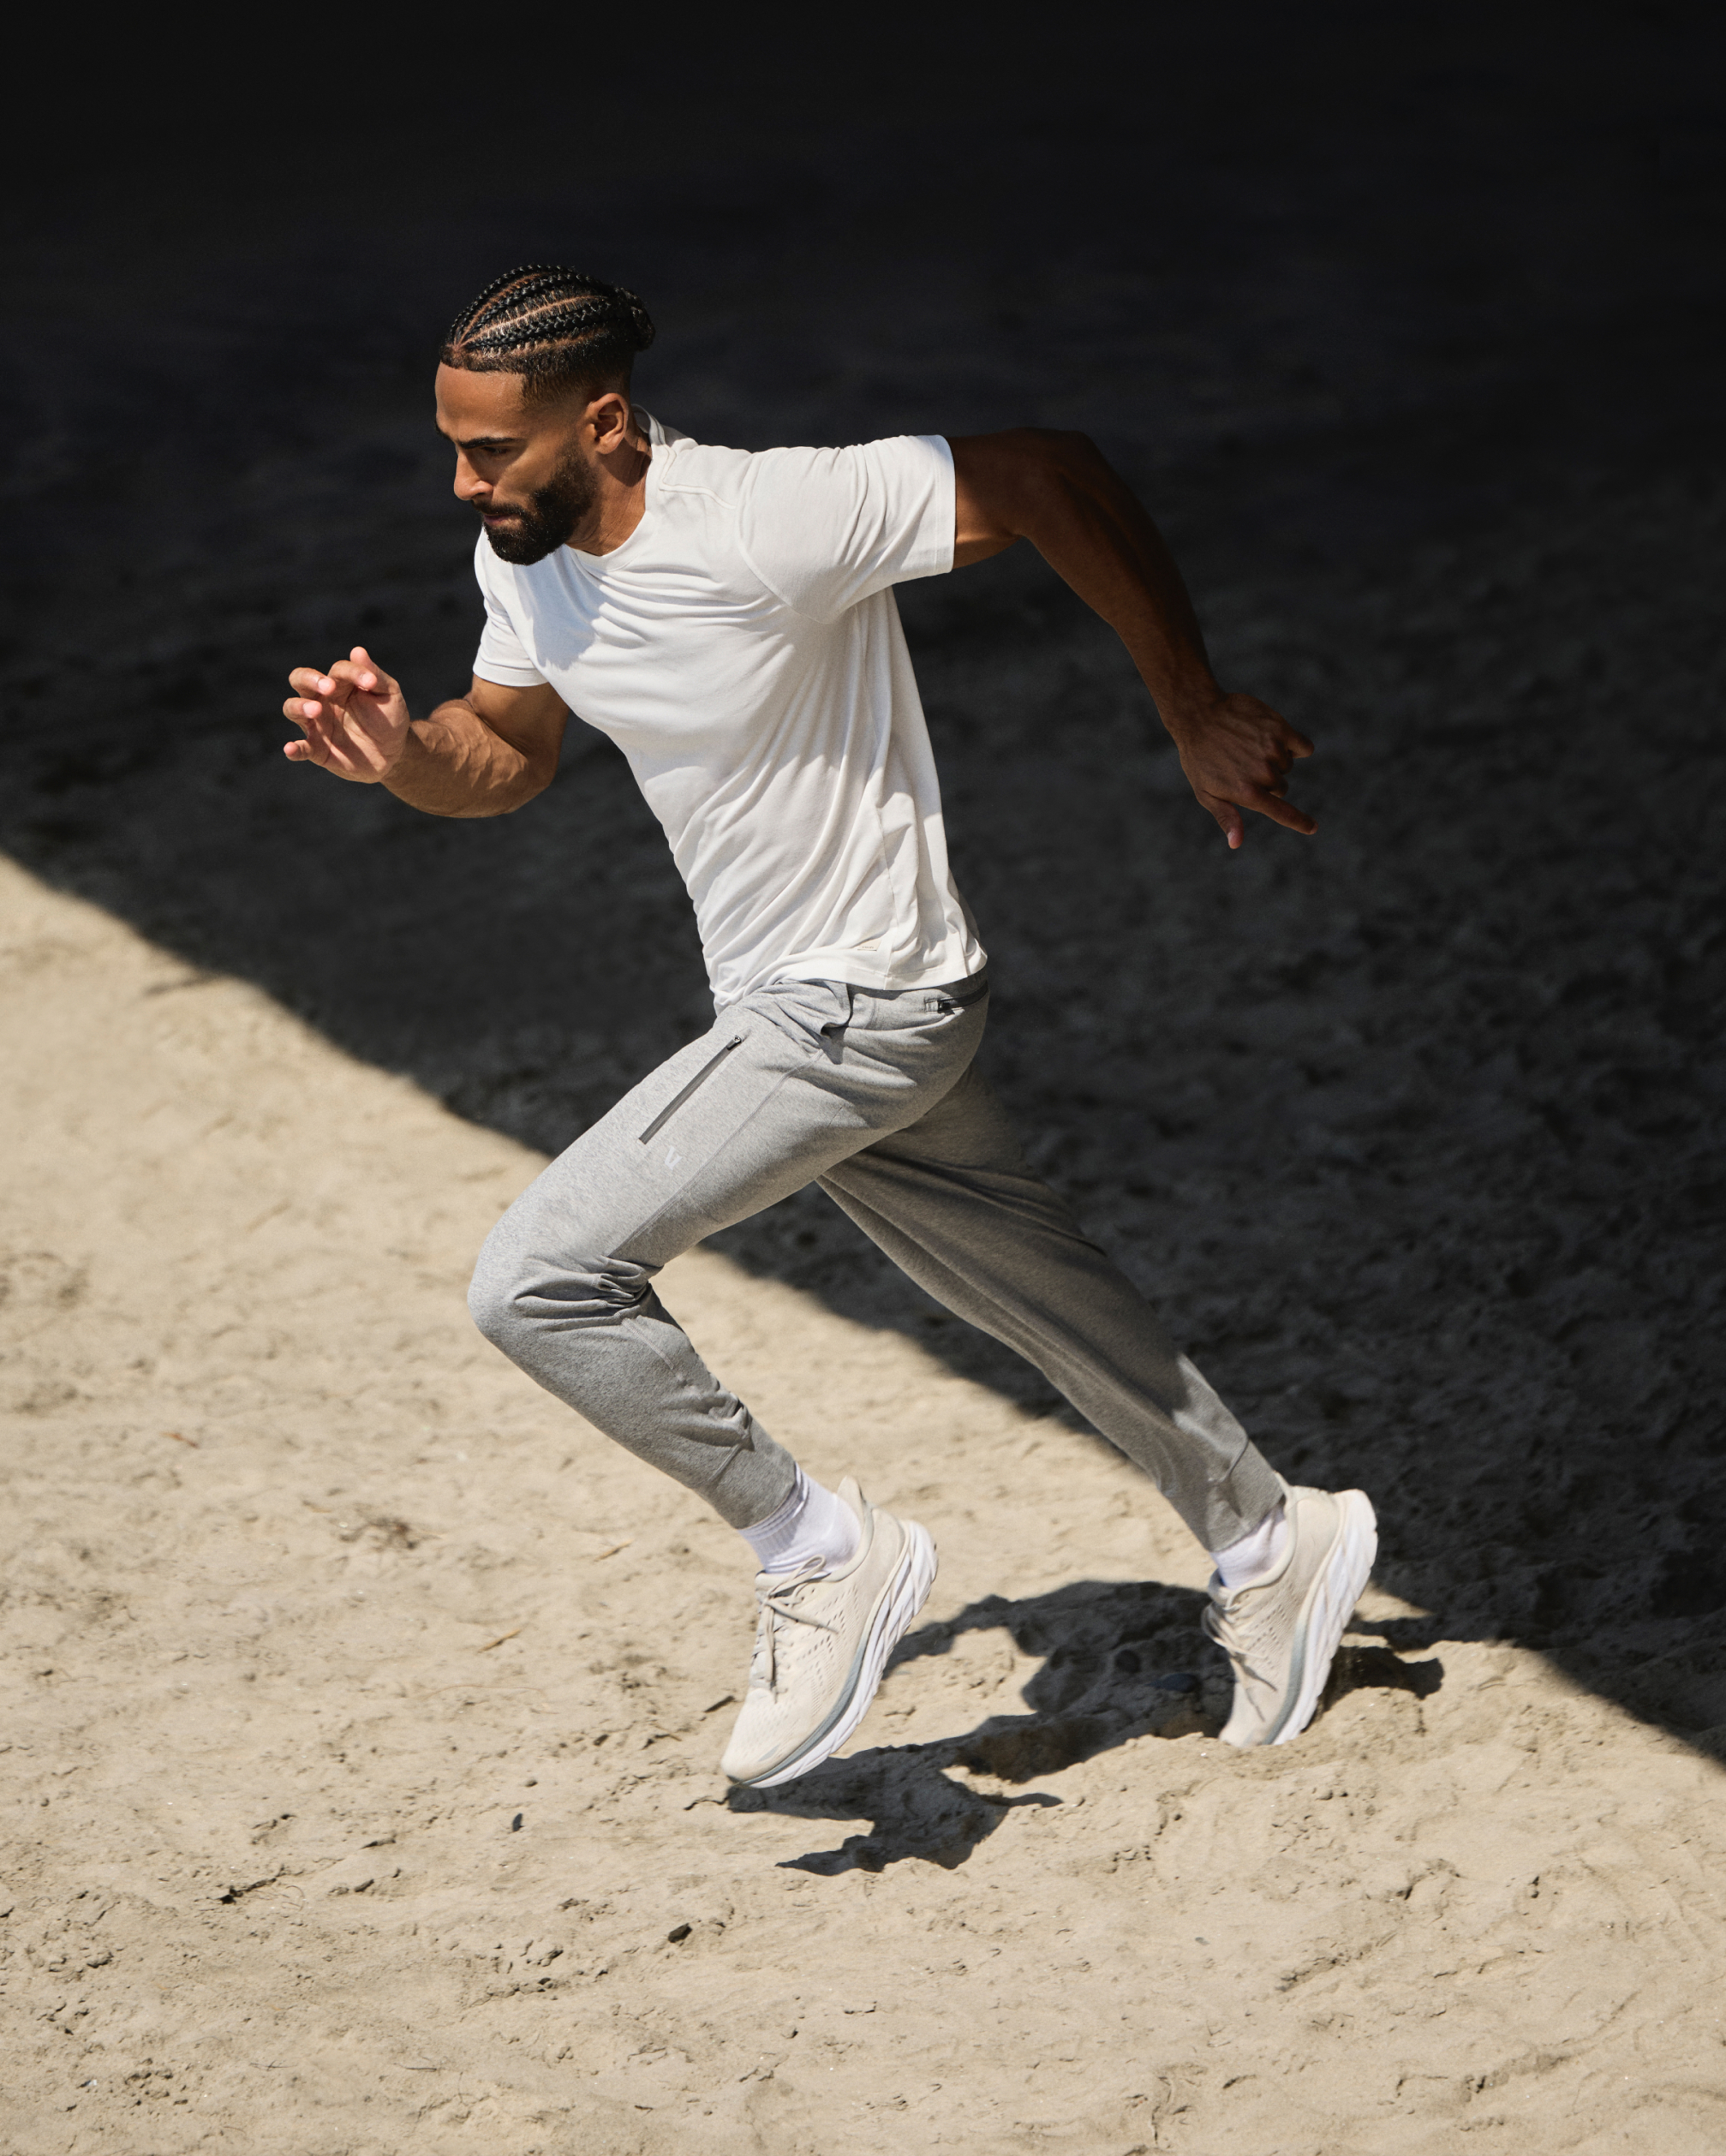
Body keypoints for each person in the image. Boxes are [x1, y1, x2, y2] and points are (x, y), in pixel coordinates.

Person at [280, 263, 1377, 1789]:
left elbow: (1050, 473)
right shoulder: (522, 560)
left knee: (540, 1280)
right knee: (1040, 1299)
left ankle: (816, 1548)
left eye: (491, 451)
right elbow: (510, 753)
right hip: (825, 1004)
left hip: (855, 1004)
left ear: (606, 422)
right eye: (453, 448)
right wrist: (402, 753)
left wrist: (1188, 705)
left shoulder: (763, 515)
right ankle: (1271, 1537)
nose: (463, 482)